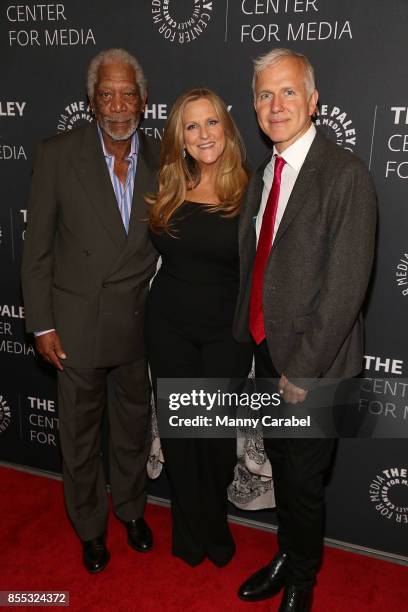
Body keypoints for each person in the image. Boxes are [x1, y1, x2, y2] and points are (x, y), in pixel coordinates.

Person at [234, 48, 376, 611]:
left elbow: (345, 290)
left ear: (314, 101)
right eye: (265, 94)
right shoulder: (263, 174)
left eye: (288, 91)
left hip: (314, 369)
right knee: (283, 472)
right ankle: (288, 555)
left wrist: (301, 371)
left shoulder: (345, 175)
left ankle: (303, 579)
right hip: (269, 354)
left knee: (302, 482)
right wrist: (258, 351)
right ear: (254, 105)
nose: (276, 104)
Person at [21, 48, 159, 574]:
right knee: (78, 438)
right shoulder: (58, 154)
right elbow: (37, 252)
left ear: (143, 101)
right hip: (75, 326)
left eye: (128, 94)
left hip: (137, 323)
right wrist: (42, 322)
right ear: (91, 100)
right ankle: (89, 526)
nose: (118, 106)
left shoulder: (162, 159)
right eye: (107, 94)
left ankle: (130, 509)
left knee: (130, 427)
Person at [146, 88, 253, 567]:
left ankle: (214, 528)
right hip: (167, 326)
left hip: (223, 335)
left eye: (212, 123)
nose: (203, 134)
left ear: (226, 130)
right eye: (192, 126)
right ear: (180, 137)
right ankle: (190, 535)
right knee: (179, 439)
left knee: (212, 441)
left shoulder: (252, 191)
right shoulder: (170, 183)